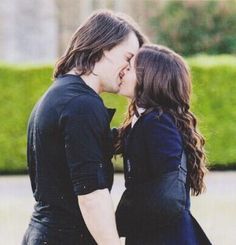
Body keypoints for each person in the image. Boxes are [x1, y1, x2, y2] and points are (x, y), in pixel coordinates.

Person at [22, 10, 146, 245]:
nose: (130, 69)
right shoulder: (81, 104)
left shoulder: (60, 94)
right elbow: (92, 195)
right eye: (128, 58)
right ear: (103, 48)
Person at [115, 44, 212, 244]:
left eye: (130, 67)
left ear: (149, 78)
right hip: (156, 231)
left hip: (165, 236)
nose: (123, 70)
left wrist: (122, 216)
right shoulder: (146, 120)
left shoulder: (157, 122)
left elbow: (169, 193)